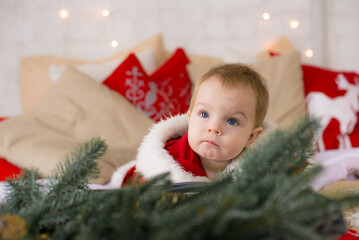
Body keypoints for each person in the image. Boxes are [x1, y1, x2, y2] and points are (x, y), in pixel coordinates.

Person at [111, 63, 272, 187]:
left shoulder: (259, 166)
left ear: (251, 137)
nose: (214, 127)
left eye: (231, 121)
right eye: (204, 114)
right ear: (190, 118)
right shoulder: (169, 160)